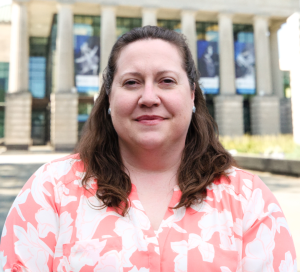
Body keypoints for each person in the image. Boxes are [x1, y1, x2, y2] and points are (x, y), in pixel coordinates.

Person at [0, 26, 297, 272]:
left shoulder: (249, 200)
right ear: (109, 98)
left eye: (167, 81)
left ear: (192, 95)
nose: (149, 97)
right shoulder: (50, 190)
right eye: (131, 82)